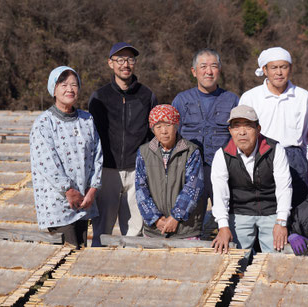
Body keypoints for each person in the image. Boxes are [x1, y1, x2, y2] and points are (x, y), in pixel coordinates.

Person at [89, 42, 158, 246]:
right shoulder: (99, 97)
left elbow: (153, 134)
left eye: (130, 59)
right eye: (120, 60)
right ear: (111, 63)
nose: (125, 64)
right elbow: (91, 136)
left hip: (137, 170)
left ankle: (128, 272)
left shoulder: (147, 96)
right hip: (107, 171)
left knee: (135, 231)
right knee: (102, 229)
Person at [30, 66, 102, 248]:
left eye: (74, 84)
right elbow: (47, 163)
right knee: (63, 256)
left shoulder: (87, 120)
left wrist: (93, 189)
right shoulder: (44, 123)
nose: (69, 89)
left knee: (81, 256)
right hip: (59, 203)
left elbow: (97, 155)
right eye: (63, 84)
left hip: (84, 201)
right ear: (53, 89)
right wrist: (68, 191)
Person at [172, 49, 239, 234]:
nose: (208, 71)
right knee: (190, 223)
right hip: (189, 172)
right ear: (194, 71)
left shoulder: (232, 100)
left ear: (220, 70)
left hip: (224, 170)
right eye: (203, 66)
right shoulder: (181, 100)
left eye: (213, 66)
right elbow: (170, 136)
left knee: (229, 221)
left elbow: (241, 137)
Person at [211, 105, 293, 254]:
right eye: (236, 127)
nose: (242, 132)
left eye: (248, 126)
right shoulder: (222, 155)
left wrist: (281, 222)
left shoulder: (275, 150)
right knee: (234, 260)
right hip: (239, 212)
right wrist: (223, 227)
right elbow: (220, 194)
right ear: (230, 131)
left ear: (258, 129)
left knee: (278, 258)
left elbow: (284, 187)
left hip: (271, 211)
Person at [239, 47, 308, 208]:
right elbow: (242, 135)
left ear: (290, 69)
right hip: (263, 156)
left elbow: (306, 135)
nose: (279, 72)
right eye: (274, 67)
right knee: (266, 207)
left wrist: (306, 163)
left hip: (295, 158)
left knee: (298, 207)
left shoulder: (302, 96)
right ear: (265, 70)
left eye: (283, 67)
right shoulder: (250, 97)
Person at [134, 105, 205, 238]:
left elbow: (194, 186)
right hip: (155, 229)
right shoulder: (144, 152)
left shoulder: (191, 151)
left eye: (168, 125)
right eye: (158, 126)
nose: (164, 131)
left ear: (176, 126)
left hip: (185, 228)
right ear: (153, 129)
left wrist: (176, 217)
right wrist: (156, 219)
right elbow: (140, 188)